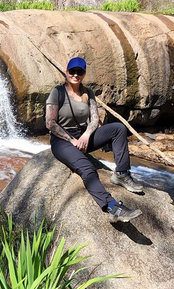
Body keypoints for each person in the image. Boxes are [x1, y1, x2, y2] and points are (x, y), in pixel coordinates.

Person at [45, 56, 144, 222]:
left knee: (118, 129)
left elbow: (95, 119)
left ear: (83, 74)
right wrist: (71, 140)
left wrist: (86, 135)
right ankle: (113, 207)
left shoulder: (87, 92)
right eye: (72, 71)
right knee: (87, 167)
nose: (75, 74)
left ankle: (121, 174)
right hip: (61, 140)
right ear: (66, 72)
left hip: (82, 136)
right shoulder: (57, 92)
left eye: (79, 71)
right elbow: (50, 123)